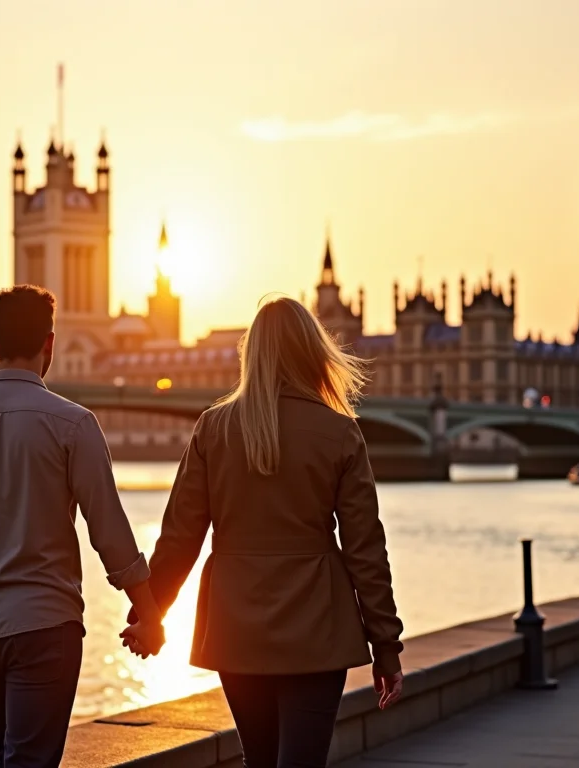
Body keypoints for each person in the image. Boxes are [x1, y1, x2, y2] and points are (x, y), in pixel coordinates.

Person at [123, 296, 404, 768]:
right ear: (313, 353)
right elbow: (365, 550)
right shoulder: (339, 432)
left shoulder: (214, 427)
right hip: (317, 620)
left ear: (251, 356)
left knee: (259, 758)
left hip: (236, 620)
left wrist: (151, 614)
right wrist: (386, 646)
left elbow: (180, 537)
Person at [0, 285, 166, 768]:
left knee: (14, 754)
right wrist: (148, 611)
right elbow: (109, 531)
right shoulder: (74, 424)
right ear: (50, 343)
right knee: (29, 759)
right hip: (47, 622)